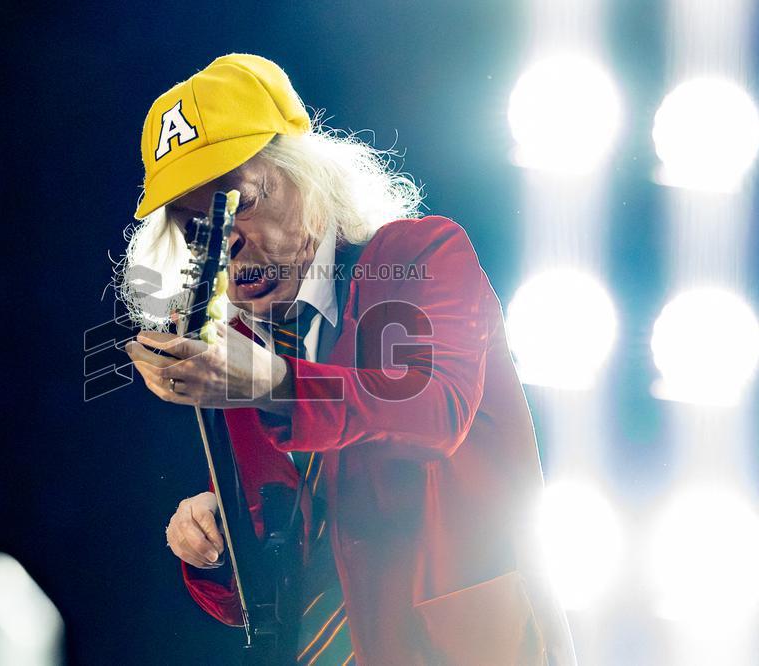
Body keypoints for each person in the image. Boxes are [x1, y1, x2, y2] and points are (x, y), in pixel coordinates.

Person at [123, 53, 576, 665]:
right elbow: (271, 576)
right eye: (195, 225)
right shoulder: (246, 351)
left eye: (239, 203)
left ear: (305, 177)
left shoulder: (420, 254)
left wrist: (277, 386)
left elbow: (431, 412)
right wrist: (214, 537)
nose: (222, 239)